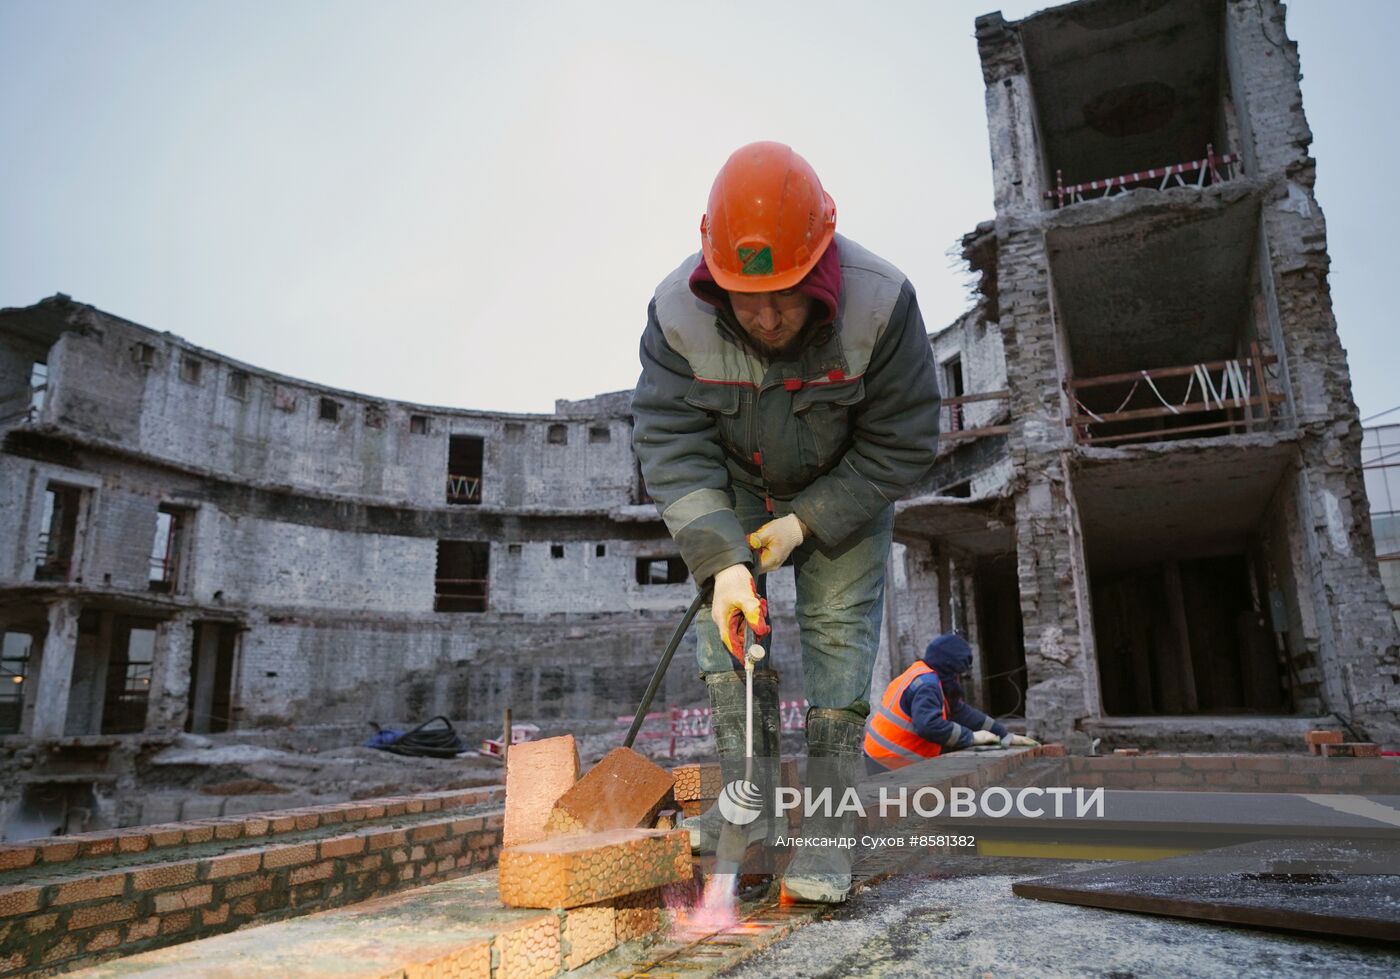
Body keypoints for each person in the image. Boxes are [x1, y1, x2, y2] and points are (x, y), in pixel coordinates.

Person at [631, 141, 942, 903]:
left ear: (821, 259)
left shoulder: (881, 305)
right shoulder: (677, 315)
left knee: (838, 646)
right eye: (747, 296)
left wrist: (808, 522)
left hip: (843, 485)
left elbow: (903, 439)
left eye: (787, 293)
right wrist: (723, 560)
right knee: (726, 637)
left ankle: (829, 837)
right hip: (735, 485)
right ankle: (749, 810)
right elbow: (671, 444)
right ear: (715, 276)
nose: (767, 316)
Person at [864, 632, 1039, 774]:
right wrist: (971, 738)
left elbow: (962, 713)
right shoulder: (928, 685)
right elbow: (928, 726)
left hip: (881, 756)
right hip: (888, 762)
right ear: (949, 668)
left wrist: (1003, 734)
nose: (958, 680)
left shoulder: (925, 673)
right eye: (958, 674)